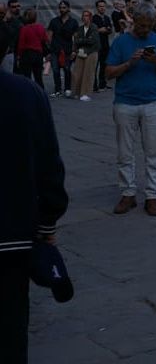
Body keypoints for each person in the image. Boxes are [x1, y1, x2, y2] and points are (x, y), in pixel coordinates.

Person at [0, 69, 68, 364]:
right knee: (10, 330)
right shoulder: (27, 92)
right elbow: (50, 167)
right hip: (12, 239)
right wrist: (47, 222)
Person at [105, 3, 156, 217]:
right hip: (125, 103)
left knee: (154, 151)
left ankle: (152, 196)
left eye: (149, 26)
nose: (145, 30)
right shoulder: (121, 42)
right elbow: (108, 73)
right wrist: (129, 63)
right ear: (133, 20)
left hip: (153, 104)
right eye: (142, 25)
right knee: (125, 152)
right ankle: (128, 193)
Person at [46, 0, 77, 98]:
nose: (62, 9)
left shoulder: (73, 22)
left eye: (64, 7)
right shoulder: (54, 21)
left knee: (67, 70)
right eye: (60, 7)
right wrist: (49, 50)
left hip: (67, 50)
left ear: (68, 9)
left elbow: (75, 38)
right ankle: (57, 90)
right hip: (55, 50)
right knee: (55, 70)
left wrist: (74, 51)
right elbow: (49, 36)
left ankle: (68, 88)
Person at [70, 10, 101, 102]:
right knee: (77, 72)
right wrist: (75, 50)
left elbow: (92, 41)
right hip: (81, 52)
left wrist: (81, 40)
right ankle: (76, 92)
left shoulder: (94, 27)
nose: (85, 17)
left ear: (90, 17)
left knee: (88, 73)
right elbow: (76, 40)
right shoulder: (80, 28)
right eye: (83, 16)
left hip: (91, 52)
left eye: (87, 16)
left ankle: (85, 93)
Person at [15, 10, 48, 89]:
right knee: (38, 77)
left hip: (27, 54)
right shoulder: (41, 27)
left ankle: (28, 92)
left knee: (27, 76)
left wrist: (19, 56)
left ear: (27, 17)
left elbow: (21, 44)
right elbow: (45, 39)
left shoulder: (24, 28)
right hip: (38, 54)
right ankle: (40, 93)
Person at [92, 0, 113, 91]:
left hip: (105, 44)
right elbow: (93, 30)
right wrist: (100, 30)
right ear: (97, 8)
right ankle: (94, 85)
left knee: (104, 65)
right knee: (95, 66)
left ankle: (102, 84)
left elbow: (110, 29)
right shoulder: (94, 18)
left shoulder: (107, 18)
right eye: (100, 6)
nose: (102, 8)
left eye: (103, 6)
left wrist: (107, 30)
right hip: (97, 45)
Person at [1, 0, 24, 73]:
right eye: (14, 7)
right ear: (8, 8)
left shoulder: (22, 20)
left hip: (17, 52)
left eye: (18, 6)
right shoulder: (6, 20)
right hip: (8, 51)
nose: (17, 8)